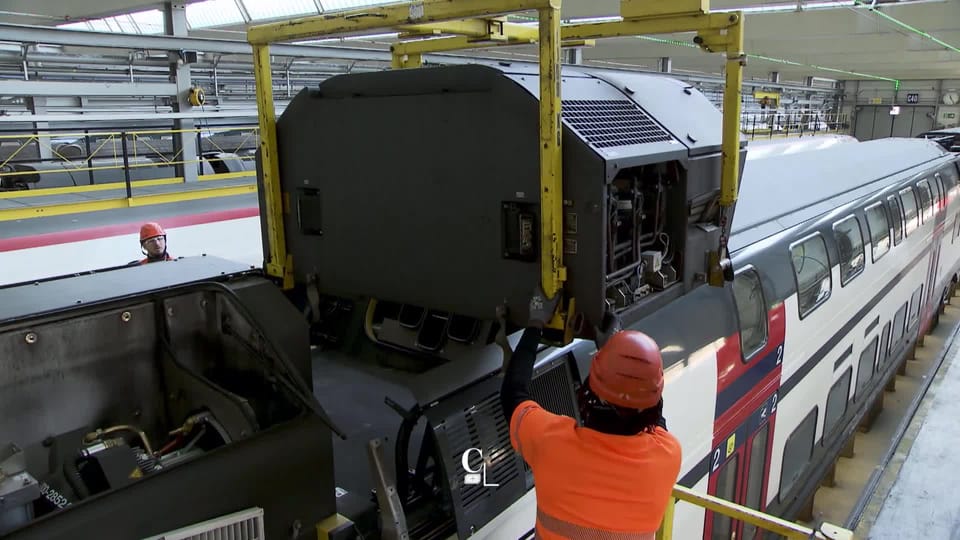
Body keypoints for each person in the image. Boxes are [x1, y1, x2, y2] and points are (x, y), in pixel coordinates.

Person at [499, 315, 682, 540]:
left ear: (587, 394)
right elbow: (654, 417)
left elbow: (512, 393)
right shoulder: (668, 455)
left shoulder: (552, 443)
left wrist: (535, 323)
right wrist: (619, 354)